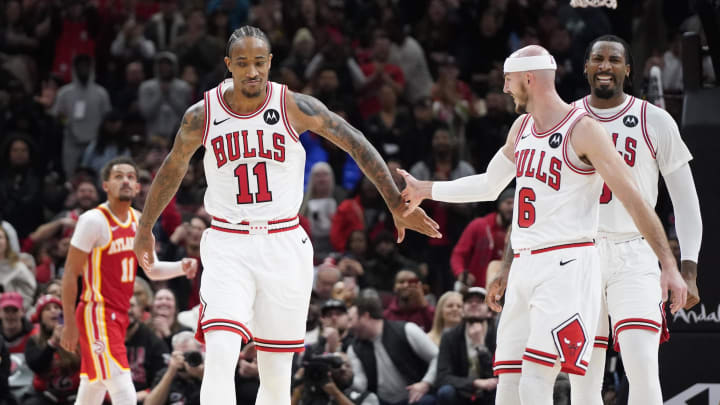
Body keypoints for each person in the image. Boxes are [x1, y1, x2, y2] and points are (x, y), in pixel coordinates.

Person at [133, 26, 440, 405]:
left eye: (259, 62)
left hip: (283, 242)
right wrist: (145, 226)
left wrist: (395, 200)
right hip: (229, 242)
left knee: (277, 377)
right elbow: (172, 167)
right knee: (222, 353)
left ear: (270, 63)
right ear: (229, 65)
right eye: (242, 63)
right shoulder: (202, 115)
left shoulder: (293, 105)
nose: (251, 72)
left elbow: (354, 140)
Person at [397, 45, 686, 405]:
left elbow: (636, 201)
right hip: (526, 263)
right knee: (508, 384)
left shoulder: (583, 131)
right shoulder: (521, 128)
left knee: (537, 378)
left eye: (508, 80)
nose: (504, 89)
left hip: (566, 264)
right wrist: (427, 189)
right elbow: (490, 184)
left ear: (528, 79)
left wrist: (669, 264)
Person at [566, 35, 703, 405]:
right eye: (597, 59)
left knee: (642, 366)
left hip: (634, 251)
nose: (605, 66)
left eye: (614, 59)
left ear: (627, 70)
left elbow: (687, 203)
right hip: (580, 254)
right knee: (583, 378)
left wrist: (687, 269)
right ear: (586, 67)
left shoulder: (654, 120)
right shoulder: (565, 119)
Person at [59, 157, 198, 405]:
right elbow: (70, 274)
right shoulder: (93, 220)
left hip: (120, 315)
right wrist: (69, 323)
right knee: (123, 389)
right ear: (106, 185)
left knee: (92, 389)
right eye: (118, 176)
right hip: (97, 315)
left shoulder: (139, 221)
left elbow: (151, 268)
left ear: (137, 187)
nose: (126, 180)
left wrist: (180, 266)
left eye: (131, 177)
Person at [347, 294, 438, 405]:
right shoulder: (354, 349)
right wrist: (345, 378)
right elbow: (361, 385)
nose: (349, 326)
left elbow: (437, 357)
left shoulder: (407, 330)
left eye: (351, 320)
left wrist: (425, 383)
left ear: (366, 316)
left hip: (416, 399)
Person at [435, 287, 497, 405]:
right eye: (469, 301)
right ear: (462, 310)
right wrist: (474, 383)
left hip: (489, 395)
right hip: (462, 393)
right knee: (445, 392)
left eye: (480, 302)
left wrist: (481, 347)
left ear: (489, 312)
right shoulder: (450, 337)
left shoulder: (498, 335)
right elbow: (442, 376)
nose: (473, 304)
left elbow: (496, 375)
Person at [450, 188, 513, 289]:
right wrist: (460, 273)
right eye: (508, 202)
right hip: (475, 290)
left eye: (515, 203)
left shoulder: (520, 234)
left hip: (503, 291)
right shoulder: (479, 225)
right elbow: (458, 254)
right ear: (499, 205)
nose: (512, 207)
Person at [24, 295, 81, 405]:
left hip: (75, 394)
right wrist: (52, 343)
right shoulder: (34, 340)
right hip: (46, 396)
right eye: (48, 309)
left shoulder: (77, 336)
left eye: (56, 307)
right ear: (41, 319)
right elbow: (36, 366)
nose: (53, 311)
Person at [144, 331, 204, 405]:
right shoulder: (165, 374)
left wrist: (201, 375)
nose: (186, 360)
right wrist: (171, 371)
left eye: (191, 355)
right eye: (183, 355)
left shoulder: (208, 374)